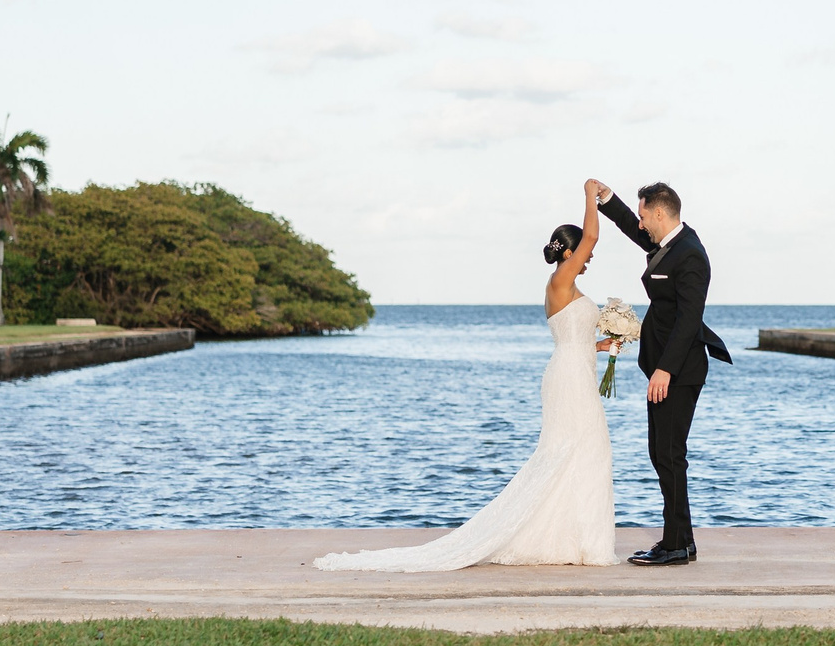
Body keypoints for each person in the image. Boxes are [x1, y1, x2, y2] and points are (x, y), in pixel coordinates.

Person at [313, 182, 621, 571]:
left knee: (583, 453)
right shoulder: (560, 281)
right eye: (583, 252)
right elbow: (592, 234)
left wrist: (604, 344)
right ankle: (581, 543)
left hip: (574, 370)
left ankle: (574, 539)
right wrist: (590, 194)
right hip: (568, 380)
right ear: (571, 251)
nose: (589, 256)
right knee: (574, 451)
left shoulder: (570, 287)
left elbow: (573, 340)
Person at [592, 179, 731, 566]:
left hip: (679, 371)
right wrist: (607, 200)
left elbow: (690, 319)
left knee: (668, 454)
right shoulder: (669, 245)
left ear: (658, 211)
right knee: (663, 453)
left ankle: (673, 545)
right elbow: (632, 231)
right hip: (666, 369)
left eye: (642, 215)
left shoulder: (690, 255)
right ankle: (682, 541)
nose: (640, 223)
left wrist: (665, 370)